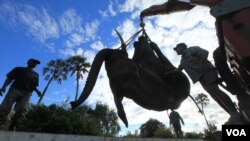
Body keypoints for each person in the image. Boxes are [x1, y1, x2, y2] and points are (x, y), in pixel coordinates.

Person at [167, 43, 241, 123]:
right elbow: (179, 70)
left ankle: (234, 113)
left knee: (215, 90)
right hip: (200, 77)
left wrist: (200, 65)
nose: (176, 51)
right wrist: (167, 74)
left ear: (181, 47)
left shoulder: (192, 49)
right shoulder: (183, 60)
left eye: (176, 48)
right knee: (214, 95)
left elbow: (205, 52)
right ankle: (232, 114)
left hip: (207, 71)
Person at [0, 58, 42, 130]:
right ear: (28, 62)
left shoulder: (36, 75)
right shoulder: (19, 69)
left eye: (36, 63)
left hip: (27, 93)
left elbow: (33, 86)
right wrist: (3, 87)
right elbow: (9, 78)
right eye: (33, 62)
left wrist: (37, 91)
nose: (34, 64)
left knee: (22, 109)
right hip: (15, 89)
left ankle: (13, 126)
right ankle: (1, 121)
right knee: (6, 107)